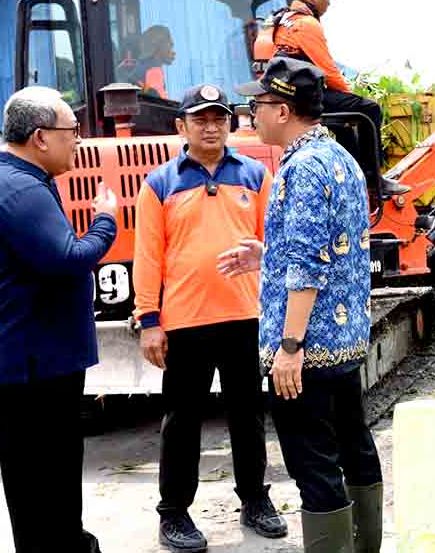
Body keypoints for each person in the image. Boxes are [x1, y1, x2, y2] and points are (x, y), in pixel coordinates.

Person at [220, 57, 384, 553]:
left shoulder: (303, 168)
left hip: (308, 350)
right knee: (355, 447)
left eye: (259, 105)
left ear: (284, 109)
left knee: (313, 464)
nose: (252, 115)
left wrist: (290, 346)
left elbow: (310, 266)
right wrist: (267, 257)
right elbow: (330, 249)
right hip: (344, 341)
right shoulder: (341, 158)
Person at [133, 83, 287, 552]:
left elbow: (275, 244)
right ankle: (174, 512)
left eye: (219, 117)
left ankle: (255, 500)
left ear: (231, 123)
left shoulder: (256, 176)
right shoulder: (159, 184)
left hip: (245, 317)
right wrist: (149, 320)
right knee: (182, 421)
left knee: (248, 415)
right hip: (184, 322)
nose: (211, 126)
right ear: (181, 127)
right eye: (200, 118)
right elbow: (148, 257)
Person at [0, 86, 118, 553]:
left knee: (52, 489)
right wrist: (106, 221)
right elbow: (69, 257)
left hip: (40, 364)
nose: (77, 140)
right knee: (40, 495)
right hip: (27, 371)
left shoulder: (26, 181)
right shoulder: (18, 189)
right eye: (71, 132)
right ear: (40, 137)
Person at [266, 0, 408, 196]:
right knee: (368, 108)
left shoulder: (281, 20)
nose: (329, 3)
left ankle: (354, 174)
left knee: (344, 125)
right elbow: (328, 70)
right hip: (304, 96)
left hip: (289, 93)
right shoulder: (307, 24)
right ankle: (374, 180)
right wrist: (350, 94)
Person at [119, 25, 176, 98]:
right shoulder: (153, 70)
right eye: (170, 45)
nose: (173, 52)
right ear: (157, 45)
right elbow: (163, 105)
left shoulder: (142, 67)